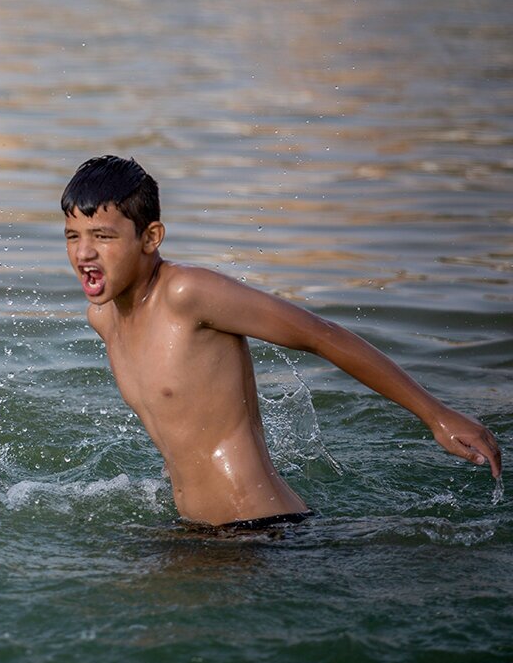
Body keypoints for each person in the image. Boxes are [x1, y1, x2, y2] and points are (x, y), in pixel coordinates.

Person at [62, 155, 501, 529]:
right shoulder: (104, 319)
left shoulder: (186, 294)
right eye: (73, 236)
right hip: (195, 531)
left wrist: (436, 415)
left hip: (259, 531)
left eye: (103, 237)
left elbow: (319, 335)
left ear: (150, 238)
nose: (84, 254)